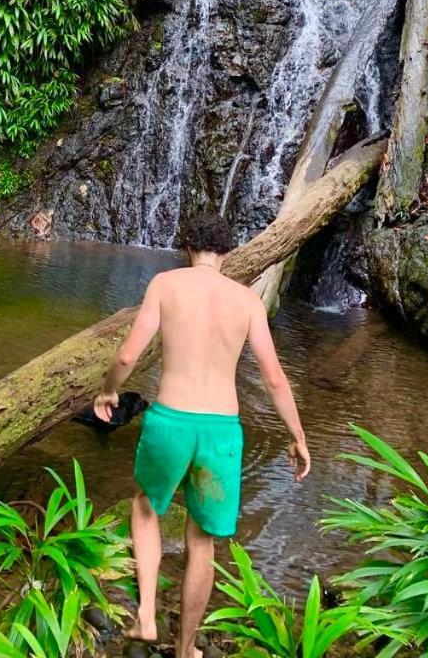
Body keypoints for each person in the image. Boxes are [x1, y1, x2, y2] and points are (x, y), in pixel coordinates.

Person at [93, 212, 310, 658]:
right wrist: (298, 436)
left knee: (147, 508)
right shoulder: (247, 300)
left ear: (186, 247)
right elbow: (273, 378)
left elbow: (129, 352)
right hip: (220, 433)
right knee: (201, 539)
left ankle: (147, 614)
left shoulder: (165, 285)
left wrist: (109, 391)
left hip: (171, 421)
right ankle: (185, 647)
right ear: (226, 253)